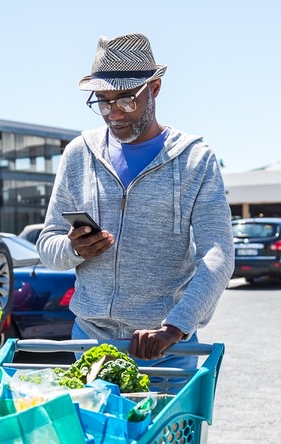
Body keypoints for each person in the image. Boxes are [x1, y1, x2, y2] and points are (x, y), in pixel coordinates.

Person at [35, 32, 234, 369]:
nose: (113, 113)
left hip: (165, 351)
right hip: (88, 346)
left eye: (126, 100)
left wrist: (175, 327)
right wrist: (73, 249)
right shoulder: (78, 154)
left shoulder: (194, 159)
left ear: (154, 88)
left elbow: (218, 254)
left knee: (162, 425)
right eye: (102, 101)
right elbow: (47, 242)